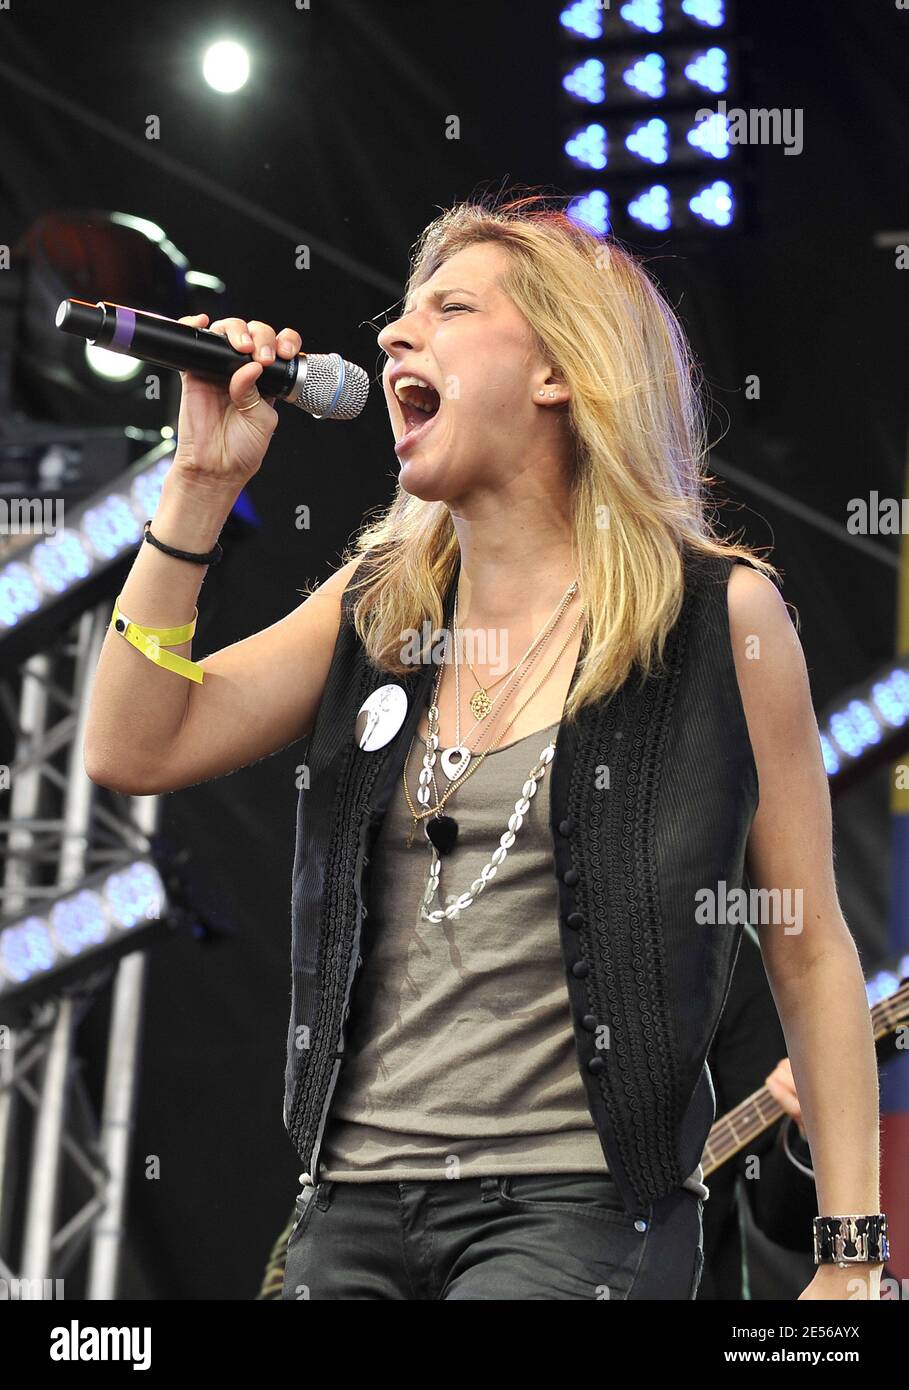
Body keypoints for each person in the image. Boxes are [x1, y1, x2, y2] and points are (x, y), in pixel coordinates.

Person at [84, 191, 888, 1301]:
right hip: (349, 1206)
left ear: (559, 371)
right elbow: (133, 742)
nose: (391, 335)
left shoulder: (719, 619)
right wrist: (200, 486)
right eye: (400, 314)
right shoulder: (379, 610)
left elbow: (806, 944)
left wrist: (853, 1256)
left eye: (449, 308)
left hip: (575, 1215)